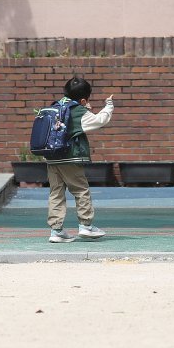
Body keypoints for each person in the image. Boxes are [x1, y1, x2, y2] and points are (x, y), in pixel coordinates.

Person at [45, 76, 115, 243]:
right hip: (70, 157)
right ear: (84, 99)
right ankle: (86, 225)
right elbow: (99, 121)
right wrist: (108, 107)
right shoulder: (78, 111)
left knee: (56, 193)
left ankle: (56, 230)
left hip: (52, 158)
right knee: (80, 190)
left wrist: (84, 108)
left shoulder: (56, 106)